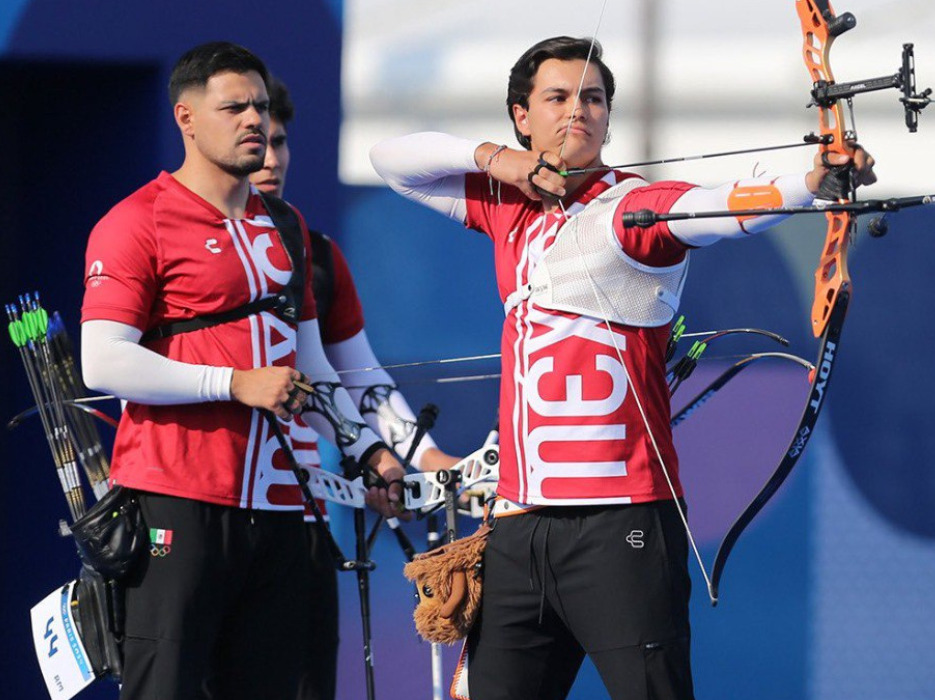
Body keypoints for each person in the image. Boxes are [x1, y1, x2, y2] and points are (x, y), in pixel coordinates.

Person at [369, 35, 875, 700]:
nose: (578, 110)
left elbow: (722, 206)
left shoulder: (636, 209)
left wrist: (812, 184)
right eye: (558, 97)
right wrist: (501, 162)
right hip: (518, 530)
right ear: (522, 115)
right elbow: (392, 160)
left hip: (621, 527)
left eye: (593, 98)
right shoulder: (505, 206)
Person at [79, 41, 406, 700]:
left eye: (259, 105)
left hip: (282, 506)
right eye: (234, 107)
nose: (253, 120)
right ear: (187, 118)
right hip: (179, 499)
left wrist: (368, 446)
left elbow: (310, 362)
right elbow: (102, 360)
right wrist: (232, 383)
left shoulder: (286, 224)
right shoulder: (135, 221)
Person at [249, 75, 462, 700]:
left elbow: (358, 378)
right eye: (257, 141)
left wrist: (424, 462)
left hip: (304, 509)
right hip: (210, 507)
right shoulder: (181, 242)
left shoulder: (315, 255)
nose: (270, 158)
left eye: (280, 141)